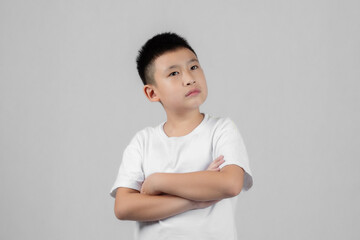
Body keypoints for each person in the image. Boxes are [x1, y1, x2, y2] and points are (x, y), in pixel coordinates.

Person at [109, 32, 254, 240]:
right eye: (174, 74)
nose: (189, 79)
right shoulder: (143, 142)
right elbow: (123, 207)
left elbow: (230, 184)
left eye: (193, 67)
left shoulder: (221, 130)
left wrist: (158, 182)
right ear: (152, 93)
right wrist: (194, 200)